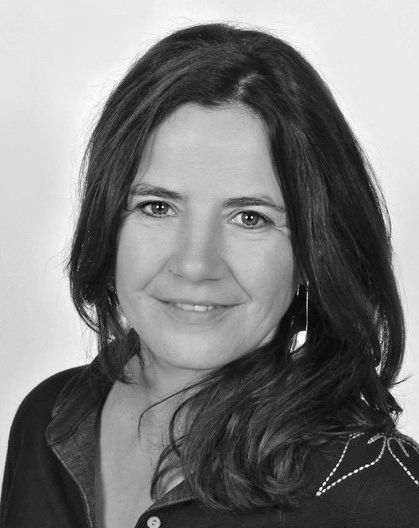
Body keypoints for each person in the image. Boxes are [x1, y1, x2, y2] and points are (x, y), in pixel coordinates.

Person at [1, 21, 419, 528]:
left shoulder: (374, 492)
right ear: (108, 224)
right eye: (157, 207)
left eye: (250, 218)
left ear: (314, 251)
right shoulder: (47, 418)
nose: (195, 264)